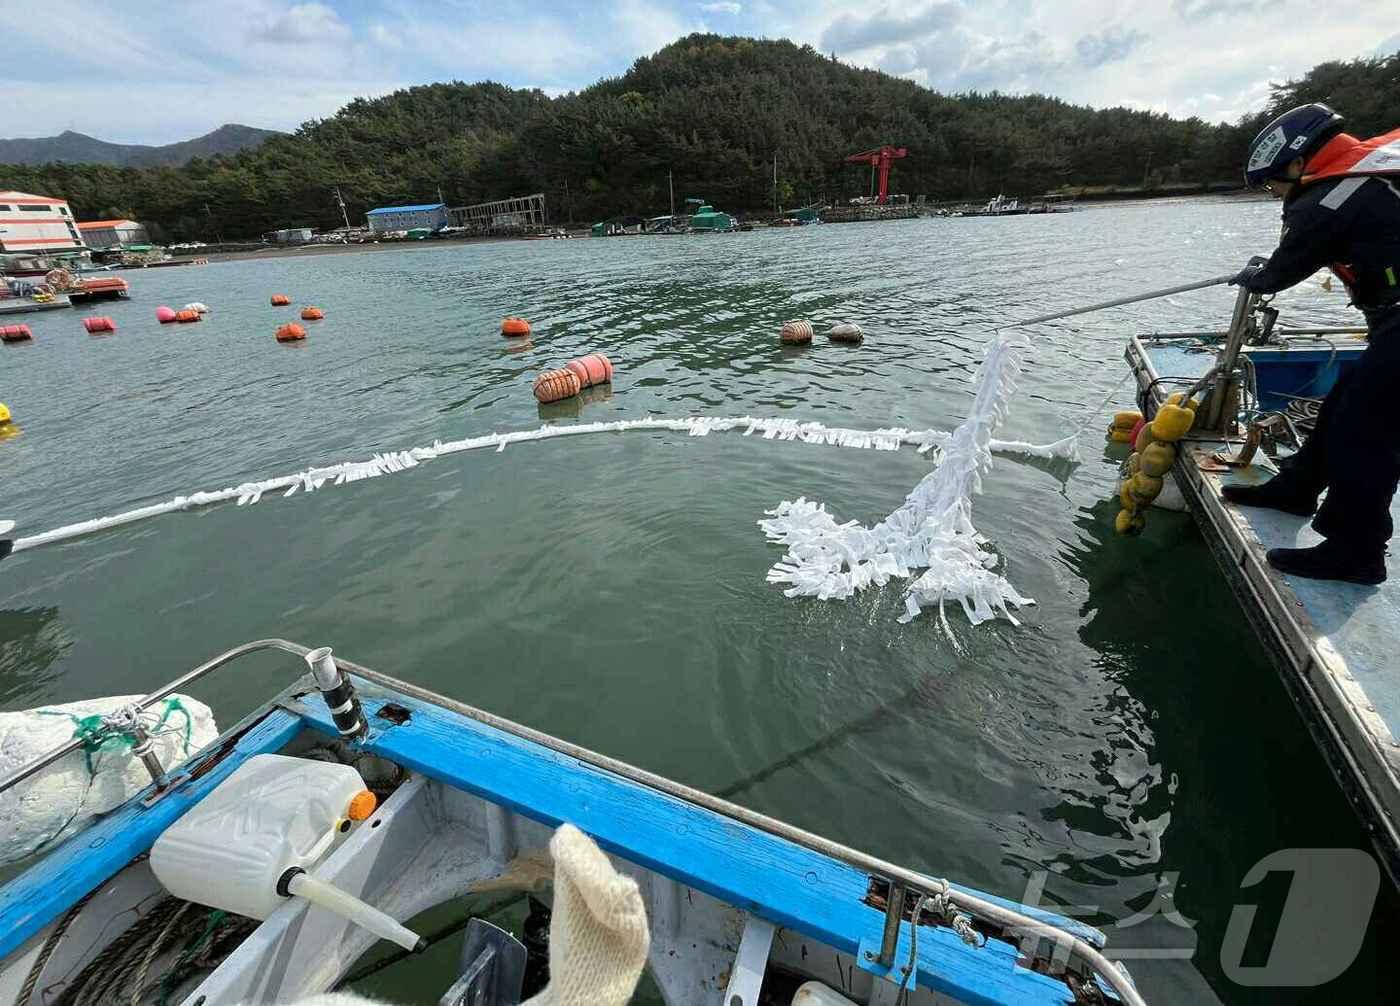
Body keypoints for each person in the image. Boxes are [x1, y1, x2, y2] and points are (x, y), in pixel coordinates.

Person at [1223, 103, 1400, 585]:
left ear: (1299, 163)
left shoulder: (1327, 200)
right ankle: (1296, 489)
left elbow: (1279, 272)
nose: (1273, 193)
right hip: (1392, 322)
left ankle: (1357, 553)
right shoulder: (1373, 169)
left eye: (1271, 183)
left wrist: (1255, 277)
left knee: (1365, 431)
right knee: (1344, 400)